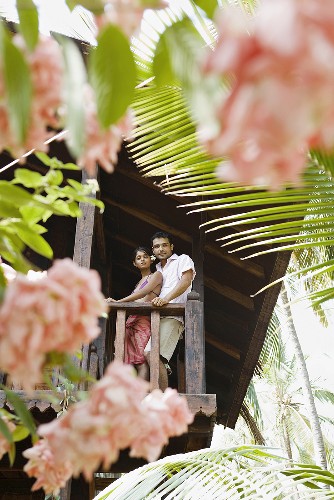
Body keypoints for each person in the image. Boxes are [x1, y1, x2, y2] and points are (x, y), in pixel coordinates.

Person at [144, 231, 195, 390]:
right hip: (157, 317)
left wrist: (167, 299)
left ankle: (162, 396)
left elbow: (186, 281)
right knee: (149, 355)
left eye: (164, 245)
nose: (161, 249)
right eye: (157, 246)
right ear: (153, 251)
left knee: (152, 354)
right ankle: (160, 386)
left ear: (171, 246)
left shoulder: (182, 260)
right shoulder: (157, 270)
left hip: (174, 317)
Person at [106, 247, 162, 380]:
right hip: (130, 321)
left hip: (143, 321)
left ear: (151, 259)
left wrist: (118, 302)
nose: (142, 259)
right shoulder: (138, 283)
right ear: (134, 264)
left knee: (141, 360)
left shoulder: (156, 275)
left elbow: (144, 293)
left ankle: (139, 396)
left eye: (145, 256)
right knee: (127, 361)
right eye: (138, 258)